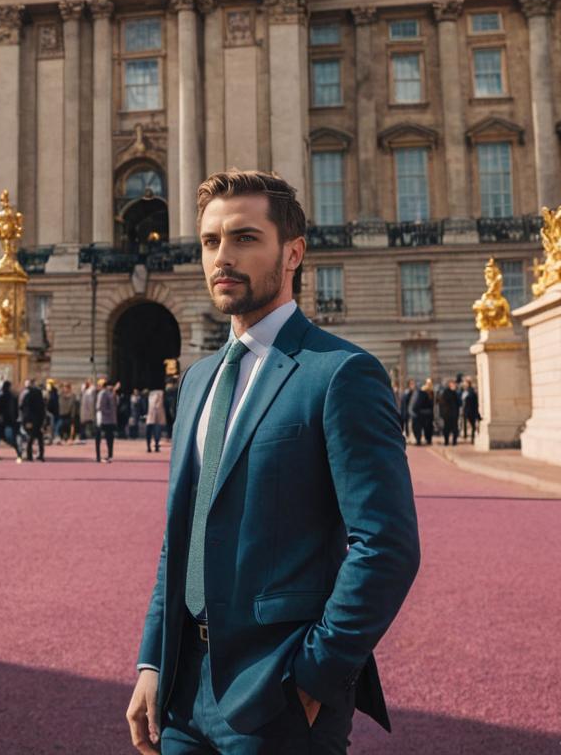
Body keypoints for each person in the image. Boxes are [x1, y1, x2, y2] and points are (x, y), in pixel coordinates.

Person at [127, 169, 419, 755]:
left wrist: (316, 672)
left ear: (292, 253)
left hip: (280, 695)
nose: (222, 258)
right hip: (185, 691)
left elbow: (387, 545)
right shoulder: (200, 378)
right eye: (211, 241)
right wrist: (152, 662)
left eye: (244, 238)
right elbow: (181, 536)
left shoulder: (339, 372)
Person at [0, 380, 22, 461]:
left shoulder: (4, 395)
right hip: (4, 420)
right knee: (8, 437)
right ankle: (18, 452)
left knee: (2, 437)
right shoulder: (5, 395)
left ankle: (18, 452)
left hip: (4, 420)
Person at [19, 378, 46, 462]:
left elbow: (23, 408)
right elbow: (42, 409)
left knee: (30, 438)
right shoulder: (39, 395)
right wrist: (43, 421)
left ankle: (29, 455)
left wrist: (26, 420)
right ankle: (41, 455)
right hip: (39, 420)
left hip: (30, 419)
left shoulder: (28, 395)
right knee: (40, 438)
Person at [96, 378, 117, 463]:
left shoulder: (109, 393)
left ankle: (109, 454)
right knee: (100, 437)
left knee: (110, 437)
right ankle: (99, 456)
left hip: (109, 419)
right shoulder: (103, 393)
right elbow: (101, 407)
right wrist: (109, 412)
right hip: (104, 419)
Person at [410, 378, 434, 446]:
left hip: (422, 414)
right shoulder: (416, 393)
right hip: (419, 414)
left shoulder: (425, 393)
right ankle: (420, 440)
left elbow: (429, 404)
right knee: (419, 428)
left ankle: (422, 440)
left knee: (425, 428)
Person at [438, 378, 460, 446]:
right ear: (450, 385)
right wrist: (442, 414)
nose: (454, 385)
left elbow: (459, 403)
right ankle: (446, 441)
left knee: (455, 429)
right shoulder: (446, 392)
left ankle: (454, 442)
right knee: (446, 429)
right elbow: (442, 404)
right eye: (453, 384)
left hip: (454, 414)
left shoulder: (455, 393)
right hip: (447, 414)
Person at [146, 387, 166, 453]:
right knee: (155, 432)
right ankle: (152, 446)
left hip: (153, 417)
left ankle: (153, 446)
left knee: (154, 432)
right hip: (153, 417)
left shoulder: (152, 397)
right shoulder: (160, 396)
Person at [460, 377, 480, 443]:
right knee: (471, 425)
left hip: (470, 410)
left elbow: (473, 402)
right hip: (467, 410)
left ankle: (473, 438)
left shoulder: (471, 391)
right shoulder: (465, 391)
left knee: (473, 425)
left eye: (465, 383)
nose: (464, 384)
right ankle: (471, 438)